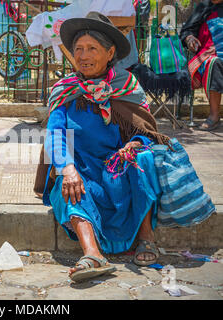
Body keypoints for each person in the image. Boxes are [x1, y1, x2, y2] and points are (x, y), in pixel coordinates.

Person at [36, 12, 174, 282]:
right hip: (82, 170)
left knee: (143, 158)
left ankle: (146, 237)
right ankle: (92, 254)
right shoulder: (66, 90)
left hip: (117, 171)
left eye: (92, 49)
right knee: (65, 179)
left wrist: (134, 144)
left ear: (110, 52)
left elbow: (146, 132)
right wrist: (67, 168)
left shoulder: (127, 87)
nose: (83, 56)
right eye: (78, 49)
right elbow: (55, 135)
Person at [180, 0, 223, 131]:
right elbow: (186, 32)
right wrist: (190, 39)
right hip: (209, 54)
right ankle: (214, 116)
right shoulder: (203, 8)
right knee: (214, 63)